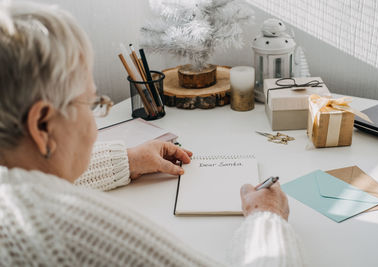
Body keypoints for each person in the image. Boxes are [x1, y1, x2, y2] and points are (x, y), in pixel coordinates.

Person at [0, 2, 304, 266]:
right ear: (42, 126)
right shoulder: (58, 228)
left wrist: (127, 161)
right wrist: (267, 218)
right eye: (92, 104)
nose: (94, 124)